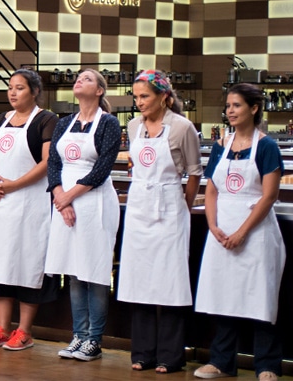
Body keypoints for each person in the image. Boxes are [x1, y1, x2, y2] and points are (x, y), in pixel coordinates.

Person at [193, 83, 285, 381]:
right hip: (221, 231)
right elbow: (211, 190)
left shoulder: (267, 147)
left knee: (260, 297)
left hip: (256, 233)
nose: (230, 111)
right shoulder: (222, 145)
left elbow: (269, 195)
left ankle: (267, 365)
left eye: (237, 106)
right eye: (228, 106)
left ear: (254, 108)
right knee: (223, 296)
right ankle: (221, 362)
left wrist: (243, 232)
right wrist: (213, 226)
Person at [116, 70, 202, 373]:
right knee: (139, 282)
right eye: (136, 97)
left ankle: (170, 356)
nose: (139, 103)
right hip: (139, 207)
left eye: (145, 97)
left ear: (164, 96)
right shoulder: (134, 125)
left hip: (169, 209)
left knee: (170, 283)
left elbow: (194, 172)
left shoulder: (182, 127)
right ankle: (142, 353)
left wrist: (183, 206)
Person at [0, 69, 59, 352]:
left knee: (26, 265)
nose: (13, 93)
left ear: (34, 91)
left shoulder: (46, 120)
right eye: (10, 88)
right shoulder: (1, 119)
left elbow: (47, 162)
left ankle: (24, 331)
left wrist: (14, 185)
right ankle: (3, 328)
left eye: (20, 88)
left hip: (28, 205)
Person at [44, 69, 121, 362]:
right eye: (78, 78)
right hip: (65, 204)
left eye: (87, 79)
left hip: (94, 203)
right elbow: (53, 162)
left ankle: (94, 339)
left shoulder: (109, 124)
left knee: (95, 271)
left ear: (100, 91)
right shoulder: (64, 123)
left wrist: (68, 197)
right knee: (74, 271)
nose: (79, 81)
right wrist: (58, 196)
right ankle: (78, 334)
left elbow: (102, 169)